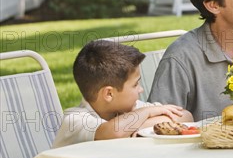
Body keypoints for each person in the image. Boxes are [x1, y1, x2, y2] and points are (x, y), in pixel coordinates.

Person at [53, 40, 193, 148]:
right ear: (109, 94)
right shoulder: (74, 119)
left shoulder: (132, 110)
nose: (141, 89)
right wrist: (148, 112)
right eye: (135, 84)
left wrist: (136, 126)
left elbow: (186, 117)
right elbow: (115, 132)